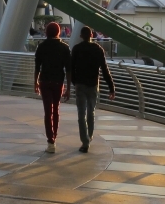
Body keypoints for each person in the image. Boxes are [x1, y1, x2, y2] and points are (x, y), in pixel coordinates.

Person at [69, 26, 115, 153]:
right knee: (91, 112)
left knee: (81, 113)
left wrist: (74, 82)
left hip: (80, 85)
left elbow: (71, 68)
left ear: (81, 36)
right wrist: (111, 88)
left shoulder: (77, 49)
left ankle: (85, 142)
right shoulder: (98, 49)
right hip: (93, 84)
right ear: (91, 35)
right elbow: (105, 70)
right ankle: (89, 136)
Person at [34, 22, 71, 153]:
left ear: (47, 32)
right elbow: (68, 70)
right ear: (58, 32)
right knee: (56, 110)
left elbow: (37, 67)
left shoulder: (41, 47)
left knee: (47, 112)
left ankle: (51, 141)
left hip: (45, 82)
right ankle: (54, 136)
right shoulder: (65, 48)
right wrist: (69, 88)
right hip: (58, 82)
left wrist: (35, 82)